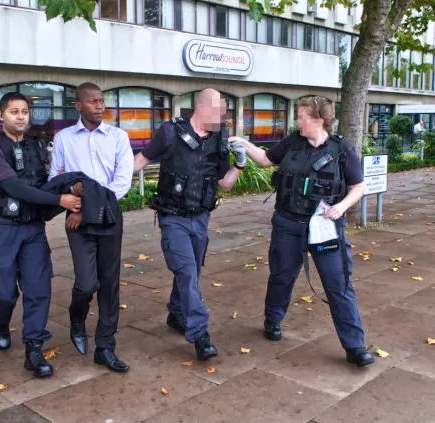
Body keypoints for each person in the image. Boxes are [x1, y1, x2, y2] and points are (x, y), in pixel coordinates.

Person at [228, 96, 375, 367]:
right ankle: (273, 320)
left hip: (324, 228)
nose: (298, 121)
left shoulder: (342, 149)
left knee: (339, 285)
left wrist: (341, 207)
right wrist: (244, 144)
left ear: (319, 119)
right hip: (288, 224)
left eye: (303, 116)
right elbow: (265, 160)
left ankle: (355, 347)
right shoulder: (291, 142)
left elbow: (358, 187)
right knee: (281, 277)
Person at [0, 92, 81, 378]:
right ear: (1, 116)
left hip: (32, 230)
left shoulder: (36, 146)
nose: (20, 117)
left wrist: (71, 186)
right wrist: (59, 201)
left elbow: (44, 183)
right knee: (3, 295)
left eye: (24, 111)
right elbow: (15, 188)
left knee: (38, 289)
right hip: (0, 230)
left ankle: (34, 348)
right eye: (14, 112)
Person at [132, 88, 244, 361]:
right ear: (202, 108)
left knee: (191, 271)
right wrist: (108, 182)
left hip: (201, 218)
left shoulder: (218, 139)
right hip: (173, 218)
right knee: (186, 272)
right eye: (219, 113)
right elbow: (140, 161)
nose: (223, 119)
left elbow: (224, 184)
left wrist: (239, 164)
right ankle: (200, 334)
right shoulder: (170, 132)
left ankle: (176, 312)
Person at [49, 82, 134, 373]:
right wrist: (75, 199)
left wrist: (86, 205)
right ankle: (77, 317)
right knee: (87, 283)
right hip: (76, 220)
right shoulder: (63, 138)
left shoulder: (118, 137)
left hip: (107, 218)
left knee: (109, 284)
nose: (100, 106)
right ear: (78, 106)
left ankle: (105, 347)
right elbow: (56, 180)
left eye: (101, 101)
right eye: (93, 101)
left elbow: (121, 183)